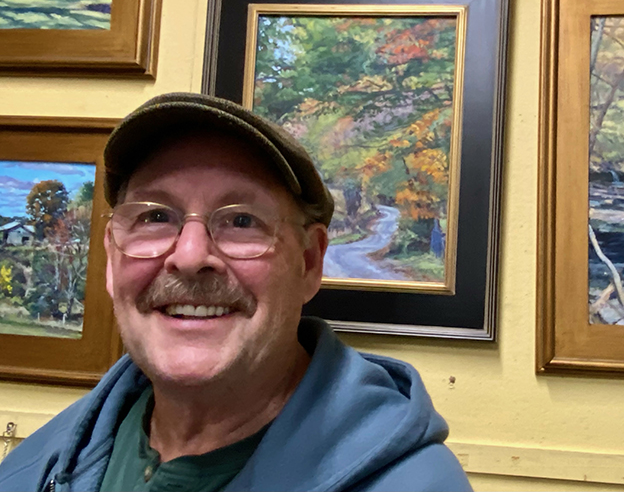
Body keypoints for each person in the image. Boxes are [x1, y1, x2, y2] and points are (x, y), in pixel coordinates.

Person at [0, 93, 472, 492]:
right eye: (155, 217)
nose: (189, 255)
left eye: (242, 221)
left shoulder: (414, 481)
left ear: (309, 262)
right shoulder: (42, 462)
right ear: (111, 258)